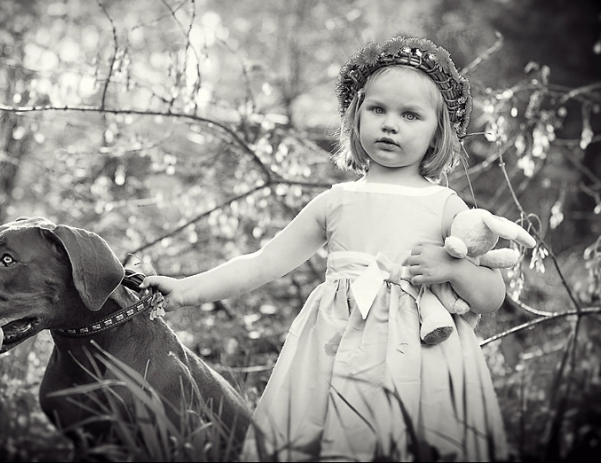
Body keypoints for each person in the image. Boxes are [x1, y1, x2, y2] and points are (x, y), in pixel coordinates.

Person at [142, 36, 508, 462]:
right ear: (355, 116)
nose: (390, 124)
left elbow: (492, 296)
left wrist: (455, 269)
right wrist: (185, 290)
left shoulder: (444, 205)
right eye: (378, 109)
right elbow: (263, 263)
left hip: (420, 360)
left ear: (437, 133)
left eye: (410, 115)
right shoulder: (335, 203)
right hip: (334, 352)